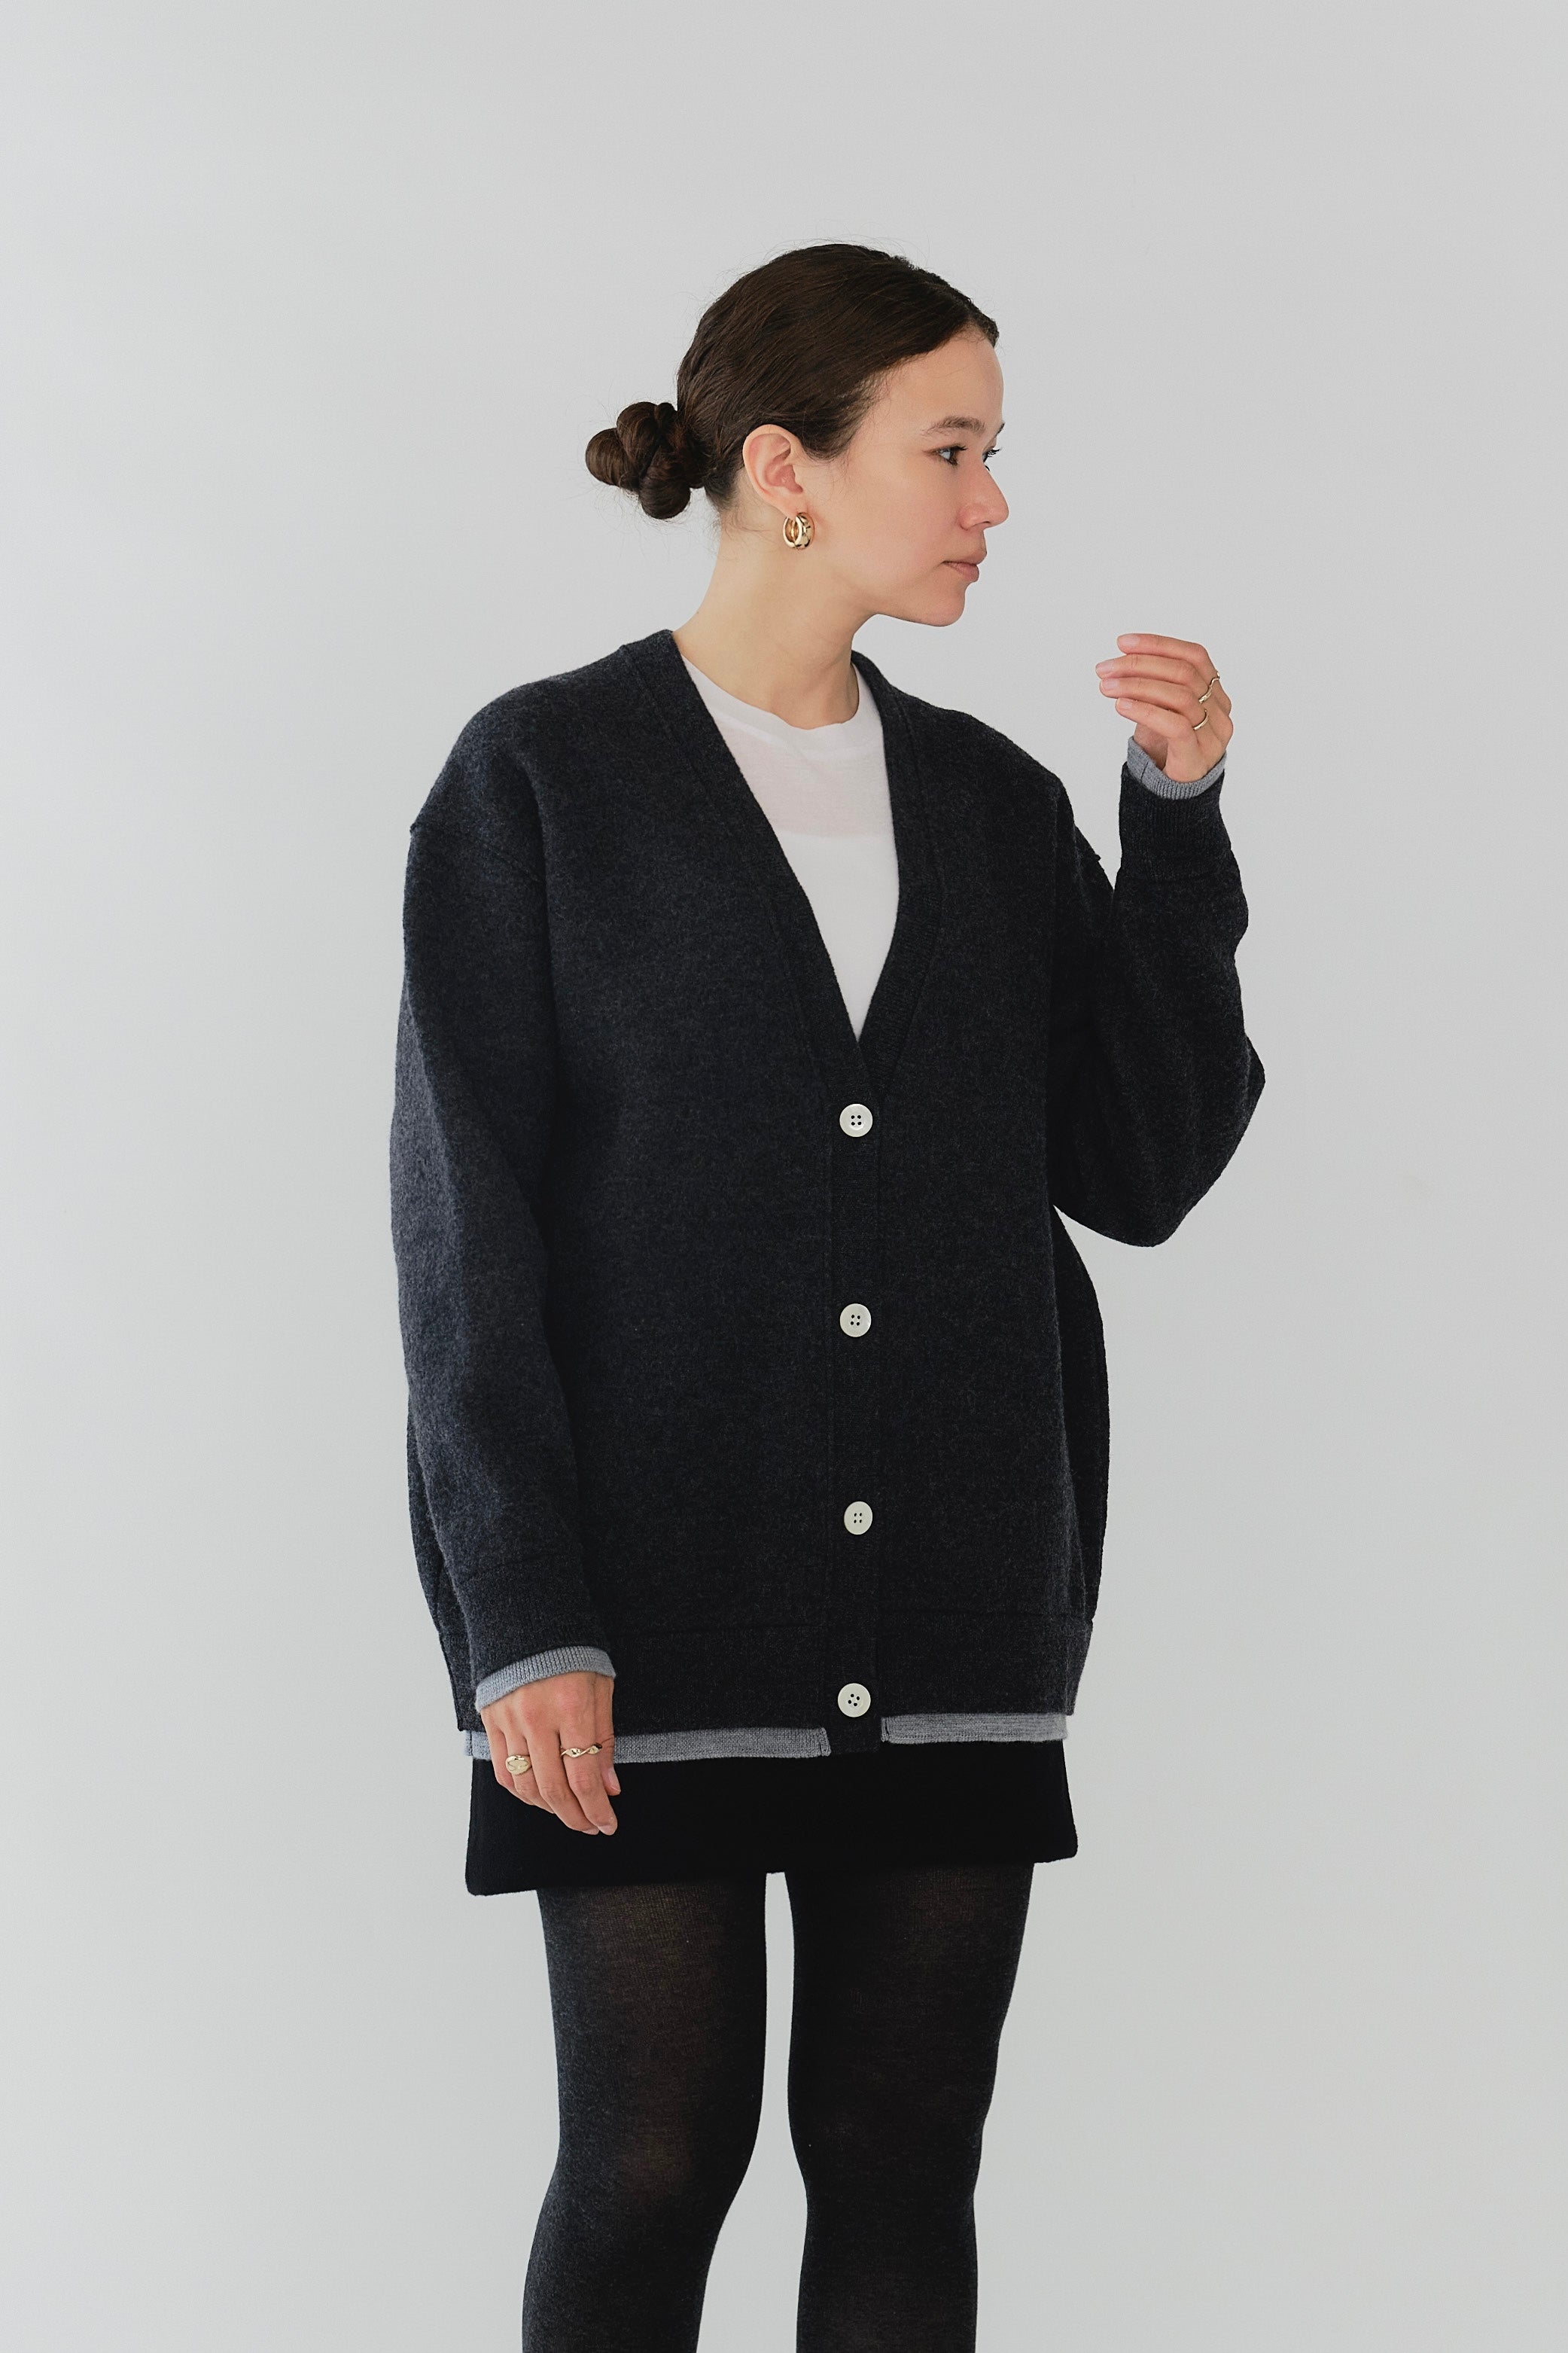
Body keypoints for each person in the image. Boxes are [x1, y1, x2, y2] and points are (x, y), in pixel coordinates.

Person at [389, 241, 1262, 2352]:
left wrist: (1177, 834)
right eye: (950, 451)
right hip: (646, 1608)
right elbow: (464, 1227)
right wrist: (521, 1614)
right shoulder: (544, 782)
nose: (991, 502)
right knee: (649, 2160)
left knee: (898, 2156)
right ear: (786, 468)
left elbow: (1140, 1167)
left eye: (993, 454)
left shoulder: (987, 802)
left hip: (953, 1598)